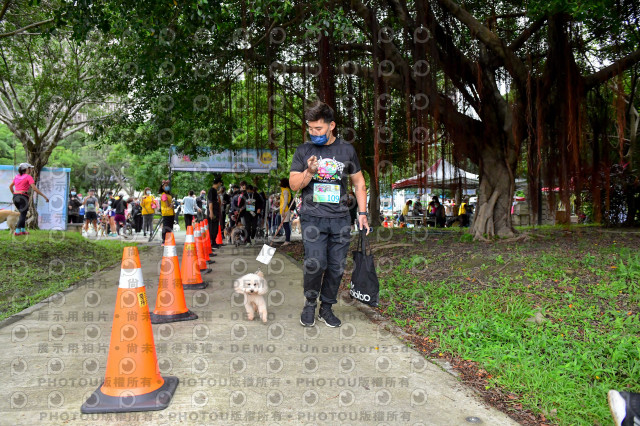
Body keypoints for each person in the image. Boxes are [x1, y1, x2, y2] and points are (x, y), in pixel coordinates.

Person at [290, 101, 370, 328]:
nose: (314, 133)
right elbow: (294, 184)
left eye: (319, 129)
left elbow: (359, 182)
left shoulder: (346, 150)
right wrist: (310, 171)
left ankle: (326, 307)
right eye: (310, 128)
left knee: (336, 266)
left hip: (341, 218)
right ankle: (309, 303)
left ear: (331, 125)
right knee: (315, 263)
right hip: (312, 217)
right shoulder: (303, 151)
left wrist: (362, 213)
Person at [8, 162, 49, 236]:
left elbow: (10, 186)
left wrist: (14, 194)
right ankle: (17, 232)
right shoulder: (28, 177)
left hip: (15, 197)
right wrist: (44, 196)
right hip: (23, 197)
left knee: (22, 213)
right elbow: (34, 188)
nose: (31, 169)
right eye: (30, 168)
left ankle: (23, 230)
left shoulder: (17, 176)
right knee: (23, 214)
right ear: (26, 169)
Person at [208, 177, 223, 249]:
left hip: (216, 211)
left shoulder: (214, 191)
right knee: (213, 228)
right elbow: (210, 202)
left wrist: (219, 192)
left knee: (216, 227)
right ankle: (212, 243)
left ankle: (214, 242)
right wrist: (211, 212)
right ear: (218, 183)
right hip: (213, 212)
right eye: (220, 183)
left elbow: (215, 196)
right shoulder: (211, 190)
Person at [159, 180, 174, 245]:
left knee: (170, 227)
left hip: (171, 213)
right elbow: (168, 204)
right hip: (166, 213)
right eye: (165, 186)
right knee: (166, 227)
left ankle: (168, 240)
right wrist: (172, 204)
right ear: (162, 187)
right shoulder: (164, 195)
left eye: (167, 185)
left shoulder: (168, 195)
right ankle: (164, 240)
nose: (167, 187)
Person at [280, 178, 293, 245]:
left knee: (286, 225)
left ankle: (287, 240)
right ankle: (287, 240)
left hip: (285, 210)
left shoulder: (285, 191)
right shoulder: (287, 190)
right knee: (286, 225)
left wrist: (283, 210)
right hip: (285, 209)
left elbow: (285, 201)